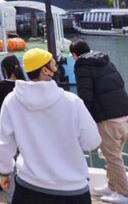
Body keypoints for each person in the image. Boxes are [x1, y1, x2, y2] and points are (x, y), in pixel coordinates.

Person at [0, 48, 101, 204]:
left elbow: (4, 144)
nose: (57, 68)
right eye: (54, 64)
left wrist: (4, 172)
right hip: (72, 189)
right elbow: (91, 141)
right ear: (45, 70)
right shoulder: (71, 101)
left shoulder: (12, 100)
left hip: (29, 186)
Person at [70, 39, 128, 203]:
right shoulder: (105, 60)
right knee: (113, 154)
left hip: (107, 118)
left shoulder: (81, 65)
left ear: (74, 55)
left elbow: (85, 95)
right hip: (124, 114)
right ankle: (112, 186)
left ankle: (124, 193)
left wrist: (82, 117)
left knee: (112, 156)